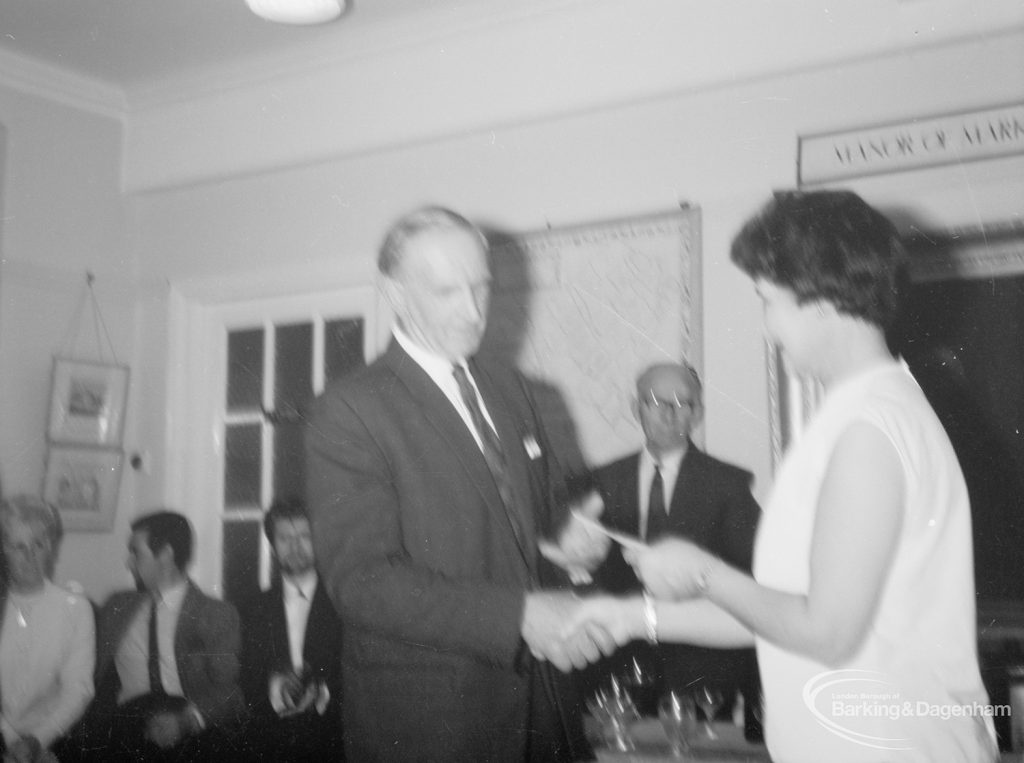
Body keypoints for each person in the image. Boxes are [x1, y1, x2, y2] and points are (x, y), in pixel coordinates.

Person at [565, 190, 999, 762]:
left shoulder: (868, 429)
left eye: (768, 300)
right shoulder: (865, 413)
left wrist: (701, 572)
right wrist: (632, 616)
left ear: (819, 301)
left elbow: (825, 632)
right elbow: (781, 614)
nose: (768, 326)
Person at [306, 206, 609, 762]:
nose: (473, 312)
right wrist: (520, 615)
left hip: (543, 714)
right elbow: (363, 582)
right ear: (396, 295)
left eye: (481, 288)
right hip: (434, 725)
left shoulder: (513, 393)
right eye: (448, 292)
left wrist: (567, 547)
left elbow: (525, 531)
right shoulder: (352, 410)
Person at [550, 362, 760, 712]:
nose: (669, 414)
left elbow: (753, 580)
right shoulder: (599, 481)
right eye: (656, 402)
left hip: (702, 674)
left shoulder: (729, 486)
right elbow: (571, 566)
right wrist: (576, 565)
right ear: (636, 409)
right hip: (614, 667)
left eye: (683, 403)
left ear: (698, 414)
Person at [89, 511, 247, 758]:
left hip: (188, 734)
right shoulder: (117, 607)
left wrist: (185, 721)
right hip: (125, 730)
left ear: (166, 554)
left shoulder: (215, 615)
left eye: (136, 552)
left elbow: (230, 694)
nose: (128, 562)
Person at [240, 497, 342, 760]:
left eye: (304, 536)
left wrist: (322, 690)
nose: (295, 547)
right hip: (271, 738)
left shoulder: (341, 603)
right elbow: (246, 675)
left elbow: (355, 670)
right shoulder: (252, 607)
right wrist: (275, 686)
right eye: (285, 538)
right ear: (273, 546)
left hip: (333, 736)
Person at [0, 495, 94, 762]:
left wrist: (36, 740)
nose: (29, 556)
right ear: (3, 550)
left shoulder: (76, 608)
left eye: (38, 545)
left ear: (51, 548)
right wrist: (10, 740)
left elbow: (79, 690)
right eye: (18, 546)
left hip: (51, 739)